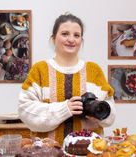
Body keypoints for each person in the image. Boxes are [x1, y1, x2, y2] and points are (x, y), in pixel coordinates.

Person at [18, 13, 116, 145]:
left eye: (77, 35)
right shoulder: (40, 69)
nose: (71, 39)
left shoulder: (94, 71)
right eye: (65, 34)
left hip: (89, 151)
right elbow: (25, 111)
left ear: (81, 40)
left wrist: (98, 115)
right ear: (53, 39)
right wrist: (65, 109)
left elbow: (110, 114)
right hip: (48, 152)